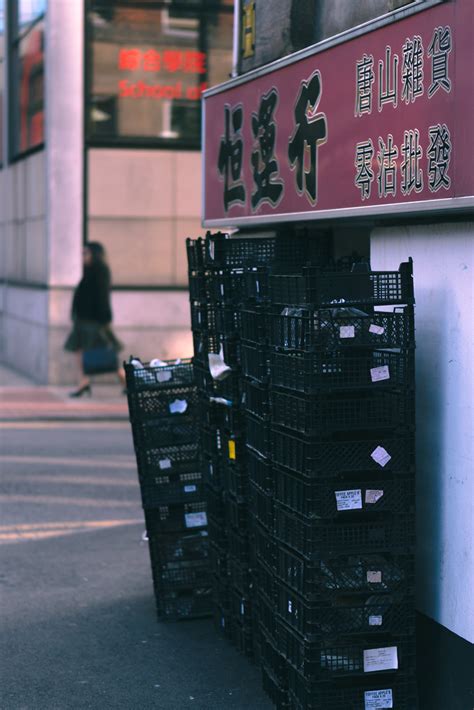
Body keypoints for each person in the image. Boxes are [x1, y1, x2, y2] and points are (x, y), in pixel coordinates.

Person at [64, 242, 125, 397]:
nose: (83, 256)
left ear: (95, 255)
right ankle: (84, 382)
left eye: (86, 253)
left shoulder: (101, 271)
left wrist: (104, 320)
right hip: (83, 320)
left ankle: (126, 381)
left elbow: (102, 297)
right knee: (79, 349)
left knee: (107, 353)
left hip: (94, 321)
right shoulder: (88, 271)